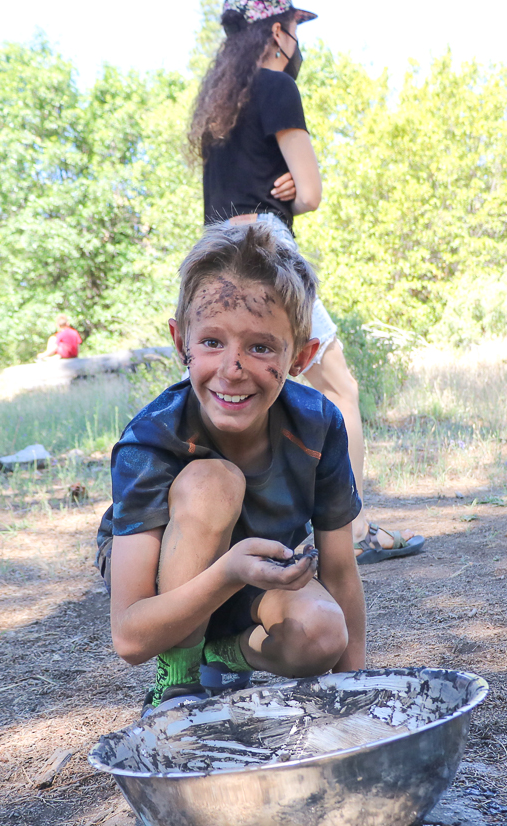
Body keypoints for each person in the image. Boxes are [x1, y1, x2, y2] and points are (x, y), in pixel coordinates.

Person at [98, 218, 365, 711]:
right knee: (212, 483)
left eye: (260, 347)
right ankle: (178, 682)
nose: (232, 369)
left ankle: (219, 655)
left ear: (301, 357)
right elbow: (130, 638)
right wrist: (228, 572)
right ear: (181, 341)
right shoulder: (150, 441)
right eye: (212, 342)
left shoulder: (318, 425)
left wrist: (356, 699)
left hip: (254, 578)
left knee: (324, 631)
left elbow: (342, 572)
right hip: (166, 586)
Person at [191, 0, 423, 565]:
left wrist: (285, 186)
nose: (298, 39)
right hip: (266, 248)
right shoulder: (276, 87)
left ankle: (215, 532)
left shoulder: (221, 103)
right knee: (339, 389)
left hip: (215, 253)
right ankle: (354, 527)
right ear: (277, 32)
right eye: (296, 26)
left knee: (229, 391)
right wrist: (293, 190)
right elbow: (312, 193)